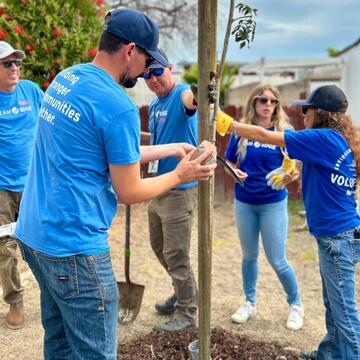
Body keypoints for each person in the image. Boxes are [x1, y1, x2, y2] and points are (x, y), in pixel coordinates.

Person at [14, 8, 216, 360]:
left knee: (59, 346)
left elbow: (102, 150)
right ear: (130, 51)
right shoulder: (118, 105)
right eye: (146, 61)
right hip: (75, 249)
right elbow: (130, 191)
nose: (144, 73)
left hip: (36, 237)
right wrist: (180, 174)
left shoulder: (67, 79)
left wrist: (170, 148)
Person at [218, 85, 360, 359]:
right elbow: (306, 168)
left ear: (320, 113)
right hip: (338, 234)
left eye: (306, 109)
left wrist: (228, 123)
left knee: (345, 314)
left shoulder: (322, 137)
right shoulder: (338, 140)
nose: (302, 113)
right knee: (333, 305)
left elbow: (262, 135)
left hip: (336, 239)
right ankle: (328, 354)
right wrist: (289, 172)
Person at [224, 84, 304, 331]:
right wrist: (233, 170)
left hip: (273, 204)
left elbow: (296, 164)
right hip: (245, 202)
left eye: (273, 101)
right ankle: (249, 302)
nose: (268, 105)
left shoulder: (284, 132)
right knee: (249, 256)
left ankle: (296, 304)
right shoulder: (243, 130)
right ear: (253, 102)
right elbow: (228, 160)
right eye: (263, 100)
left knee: (278, 259)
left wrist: (290, 174)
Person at [143, 50, 199, 332]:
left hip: (180, 189)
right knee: (159, 246)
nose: (152, 78)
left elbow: (193, 102)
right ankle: (182, 290)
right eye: (146, 74)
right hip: (158, 186)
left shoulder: (181, 96)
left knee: (177, 253)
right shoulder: (155, 104)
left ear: (170, 68)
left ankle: (187, 312)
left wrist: (200, 94)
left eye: (157, 71)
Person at [0, 41, 43, 330]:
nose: (15, 68)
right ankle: (15, 300)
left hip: (33, 183)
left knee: (41, 243)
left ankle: (55, 295)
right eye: (7, 64)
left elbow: (53, 124)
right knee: (4, 247)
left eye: (17, 63)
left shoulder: (32, 92)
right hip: (1, 188)